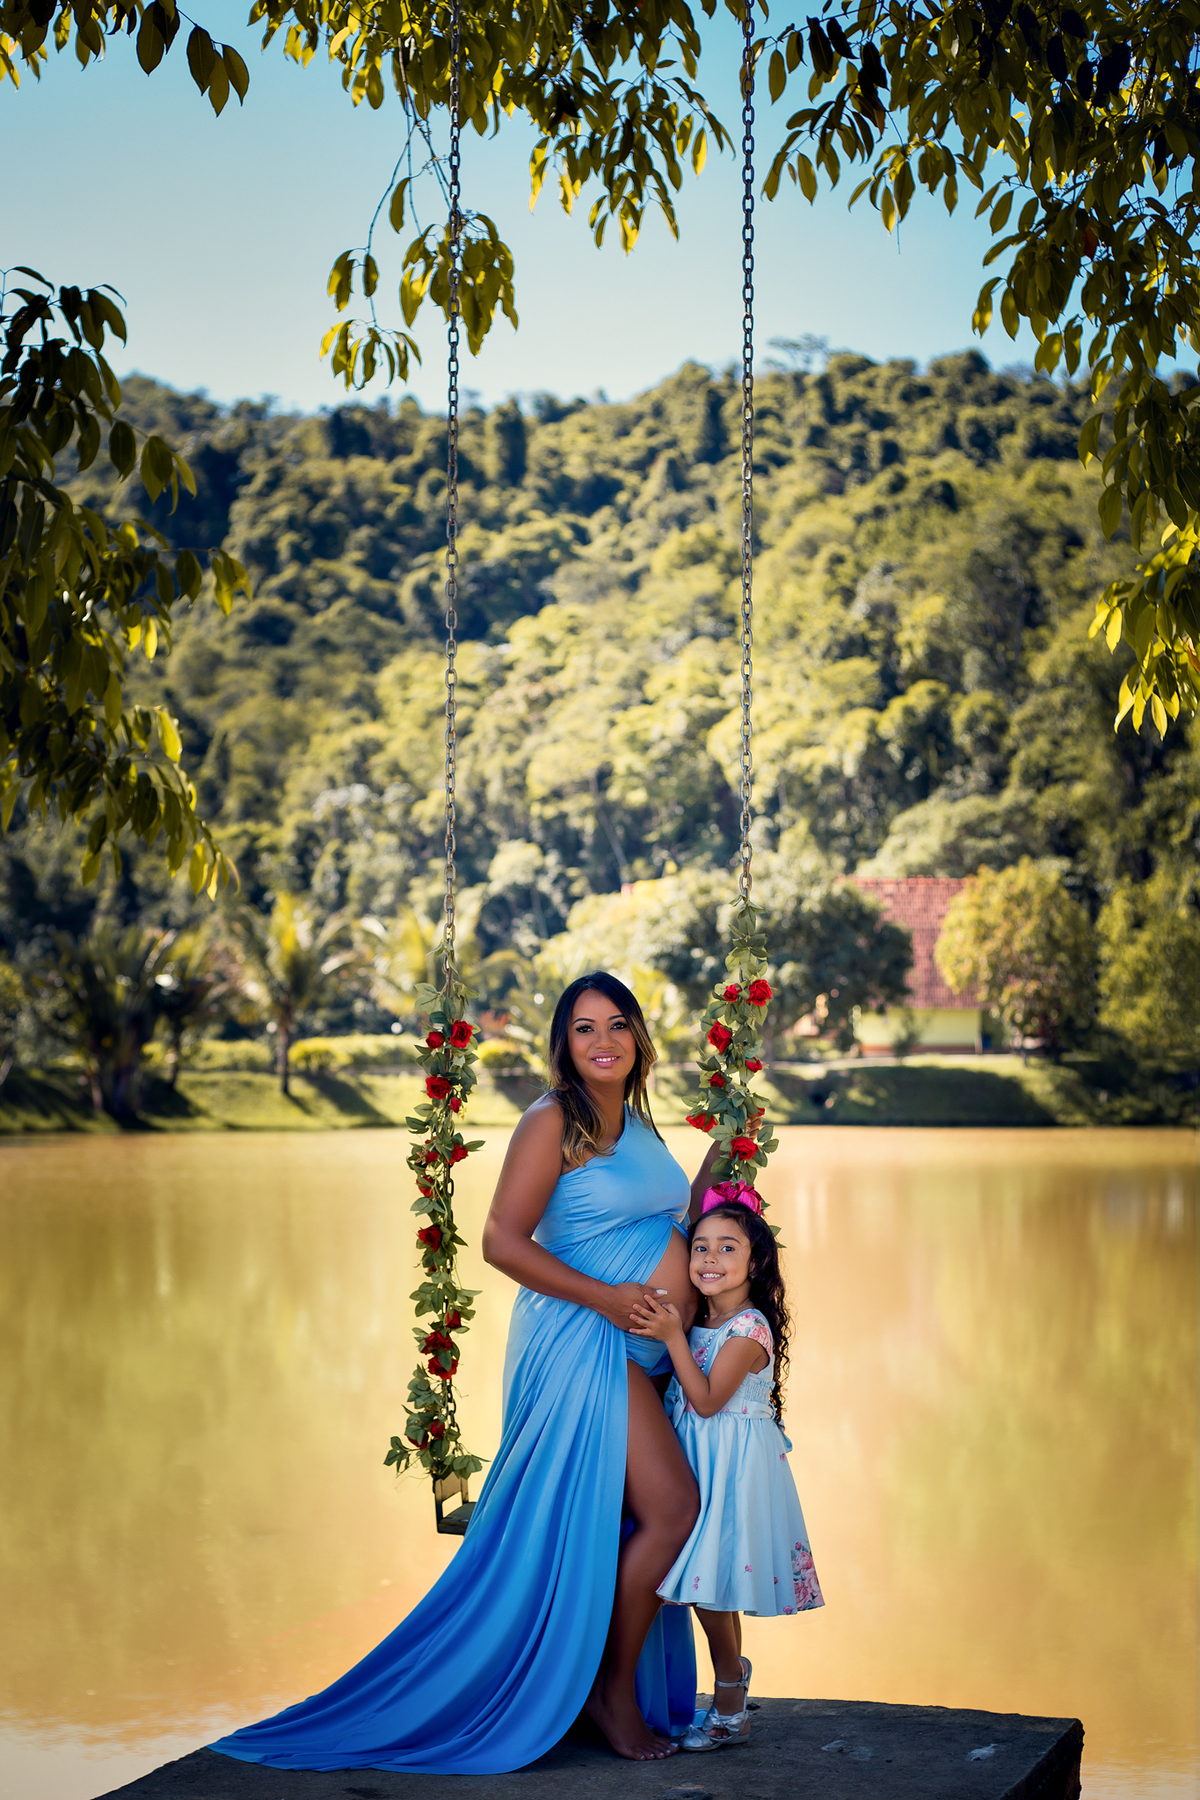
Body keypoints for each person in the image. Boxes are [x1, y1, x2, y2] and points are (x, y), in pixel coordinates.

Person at [209, 971, 716, 1775]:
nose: (604, 1042)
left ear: (640, 1038)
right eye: (584, 1028)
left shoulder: (641, 1122)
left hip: (645, 1345)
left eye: (618, 1025)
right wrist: (609, 1300)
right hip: (582, 1342)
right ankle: (608, 1690)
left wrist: (725, 1151)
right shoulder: (552, 1121)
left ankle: (587, 1674)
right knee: (674, 1509)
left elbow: (670, 1218)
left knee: (618, 1523)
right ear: (563, 1044)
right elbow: (502, 1243)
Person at [630, 1198, 824, 1753]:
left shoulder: (748, 1328)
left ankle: (731, 1696)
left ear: (756, 1263)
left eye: (728, 1248)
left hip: (732, 1467)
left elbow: (710, 1400)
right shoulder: (703, 1317)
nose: (710, 1258)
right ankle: (732, 1679)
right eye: (701, 1247)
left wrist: (670, 1336)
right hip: (698, 1460)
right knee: (707, 1585)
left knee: (709, 1587)